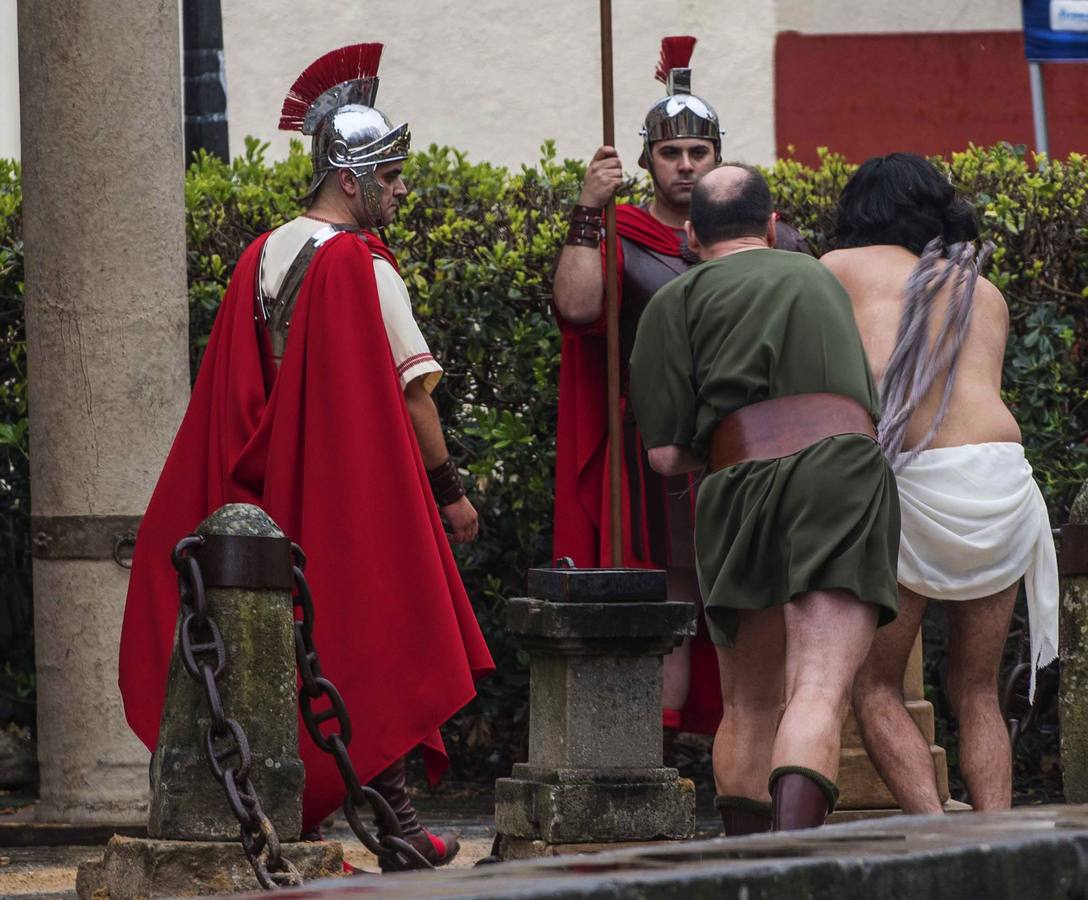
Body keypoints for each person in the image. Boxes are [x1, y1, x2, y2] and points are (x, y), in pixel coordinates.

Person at [119, 43, 493, 867]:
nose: (402, 190)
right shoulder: (360, 264)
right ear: (350, 179)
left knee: (292, 646)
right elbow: (412, 393)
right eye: (391, 176)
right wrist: (448, 490)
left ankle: (318, 808)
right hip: (343, 483)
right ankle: (394, 823)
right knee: (372, 626)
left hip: (265, 488)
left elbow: (242, 389)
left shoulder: (263, 253)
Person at [629, 164, 900, 833]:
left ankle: (746, 868)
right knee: (816, 689)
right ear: (774, 226)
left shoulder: (672, 303)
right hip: (843, 476)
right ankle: (789, 873)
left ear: (692, 236)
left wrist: (733, 442)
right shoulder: (820, 277)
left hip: (737, 487)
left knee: (748, 705)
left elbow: (665, 456)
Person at [822, 152, 1058, 813]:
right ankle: (996, 838)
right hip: (1000, 480)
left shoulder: (839, 270)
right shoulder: (985, 292)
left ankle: (935, 833)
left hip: (917, 483)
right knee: (976, 689)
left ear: (860, 209)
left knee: (874, 686)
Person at [552, 35, 723, 744]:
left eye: (698, 153)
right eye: (670, 154)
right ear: (646, 160)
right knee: (673, 591)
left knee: (748, 597)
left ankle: (745, 757)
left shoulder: (755, 232)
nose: (685, 165)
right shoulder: (621, 234)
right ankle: (661, 749)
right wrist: (589, 209)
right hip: (654, 445)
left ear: (717, 156)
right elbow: (578, 309)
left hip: (745, 442)